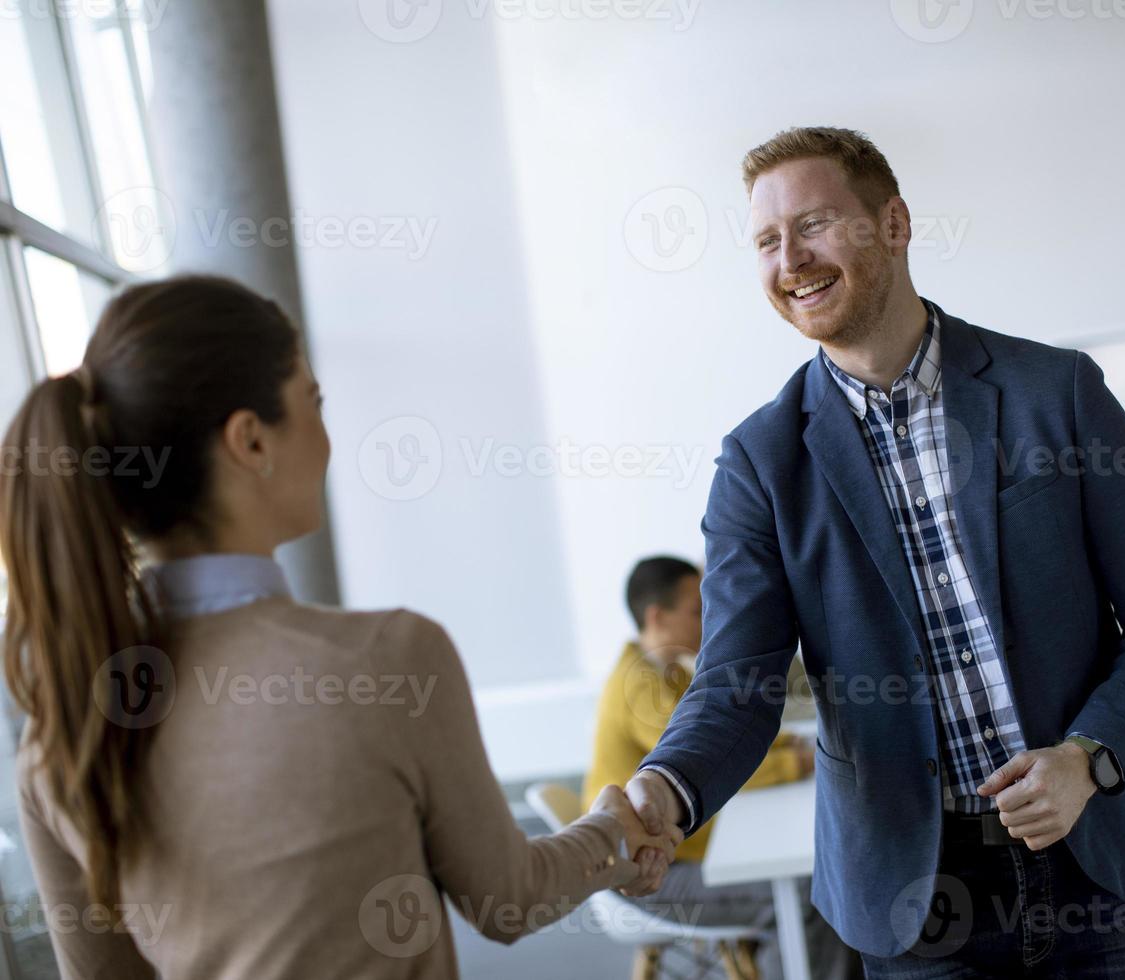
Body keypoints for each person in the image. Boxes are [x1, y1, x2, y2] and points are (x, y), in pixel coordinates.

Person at [624, 126, 1125, 977]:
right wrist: (664, 787)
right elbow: (736, 684)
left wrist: (1088, 757)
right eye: (765, 240)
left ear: (894, 224)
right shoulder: (758, 465)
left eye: (815, 224)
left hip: (1100, 860)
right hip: (916, 900)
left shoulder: (1057, 392)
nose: (789, 259)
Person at [0, 275, 678, 979]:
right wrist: (612, 831)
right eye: (312, 402)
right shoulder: (389, 660)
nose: (326, 436)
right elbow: (507, 900)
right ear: (251, 440)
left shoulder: (62, 740)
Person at [585, 555, 857, 978]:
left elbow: (726, 733)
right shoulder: (638, 684)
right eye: (697, 609)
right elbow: (709, 759)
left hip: (677, 852)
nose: (709, 617)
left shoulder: (669, 674)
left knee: (818, 875)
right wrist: (799, 760)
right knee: (806, 894)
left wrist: (788, 744)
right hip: (651, 873)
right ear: (658, 616)